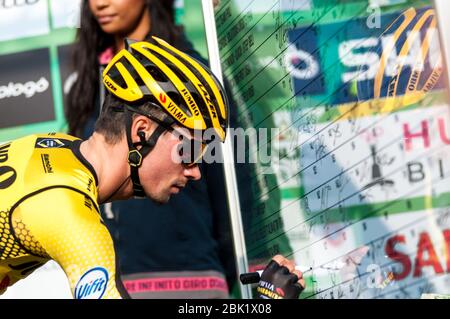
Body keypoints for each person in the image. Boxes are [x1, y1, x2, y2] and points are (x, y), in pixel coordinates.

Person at [0, 38, 305, 299]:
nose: (196, 170)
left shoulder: (50, 149)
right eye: (189, 150)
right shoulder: (72, 216)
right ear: (142, 131)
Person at [66, 0, 236, 298]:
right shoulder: (85, 85)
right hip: (110, 283)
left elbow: (233, 183)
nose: (101, 3)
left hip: (192, 281)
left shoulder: (191, 77)